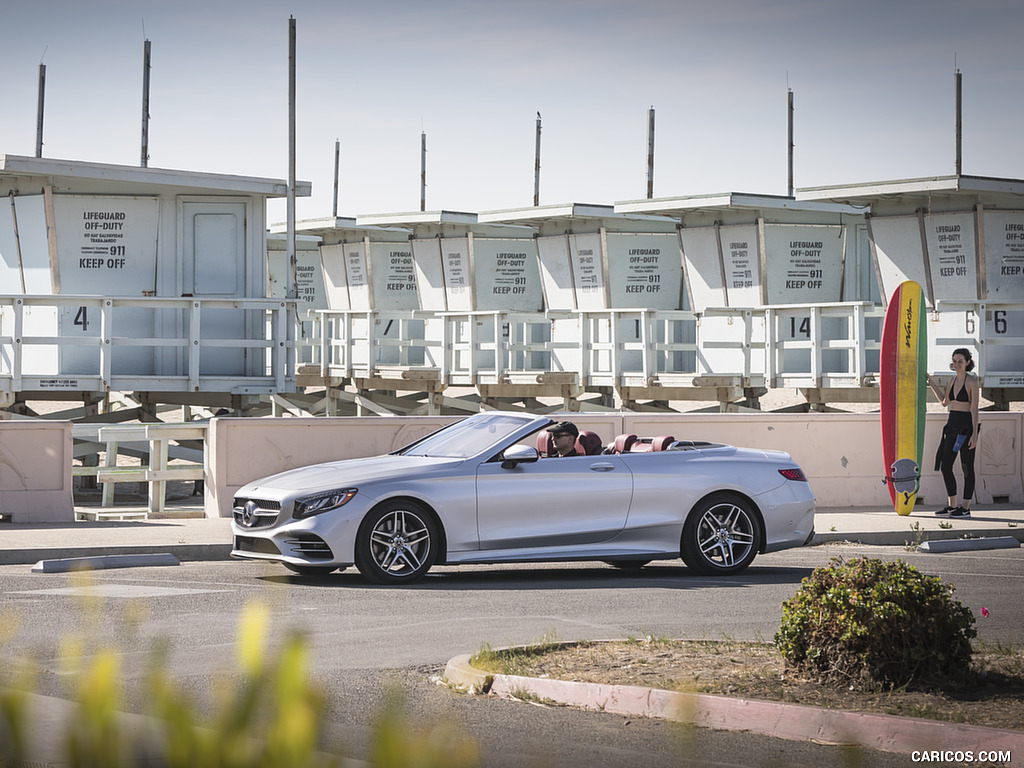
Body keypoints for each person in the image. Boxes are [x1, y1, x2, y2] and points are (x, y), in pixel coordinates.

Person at [926, 348, 980, 519]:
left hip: (966, 427)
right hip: (952, 425)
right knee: (945, 465)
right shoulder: (952, 380)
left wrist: (974, 435)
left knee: (966, 468)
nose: (957, 364)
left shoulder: (972, 382)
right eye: (955, 361)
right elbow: (944, 402)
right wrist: (931, 382)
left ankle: (965, 508)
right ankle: (952, 505)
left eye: (960, 362)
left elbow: (974, 409)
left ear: (968, 363)